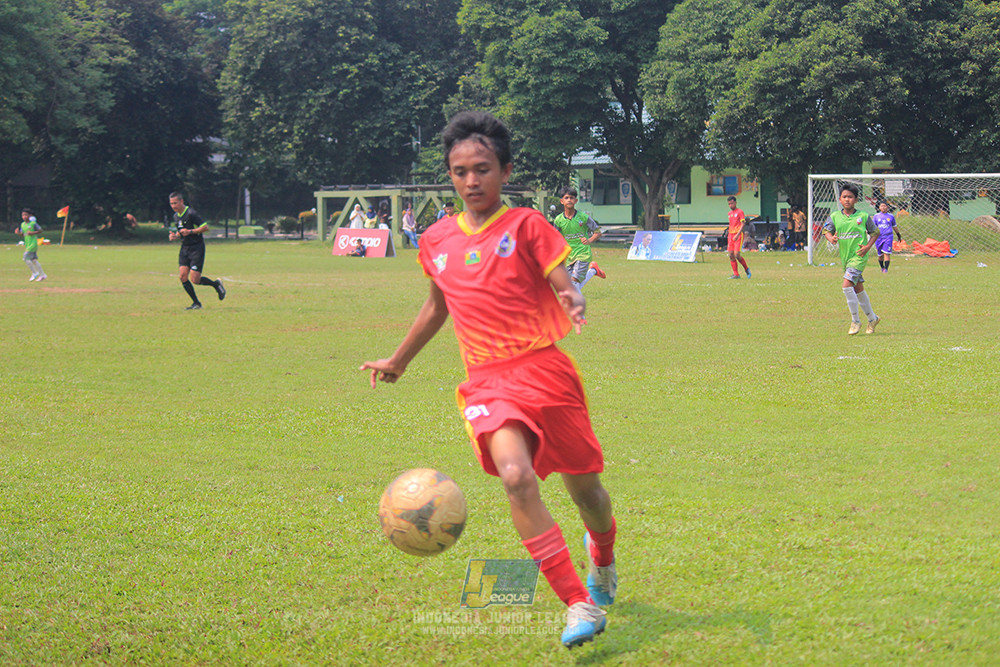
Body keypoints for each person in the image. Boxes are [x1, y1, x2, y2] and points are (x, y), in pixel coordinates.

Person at [361, 111, 617, 649]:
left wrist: (571, 294)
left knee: (587, 492)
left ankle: (603, 556)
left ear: (504, 170)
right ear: (450, 176)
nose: (471, 181)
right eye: (459, 171)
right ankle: (577, 602)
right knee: (516, 477)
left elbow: (558, 275)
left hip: (547, 372)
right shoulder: (434, 240)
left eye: (482, 169)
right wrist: (399, 360)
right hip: (489, 382)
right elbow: (437, 306)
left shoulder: (527, 225)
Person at [822, 184, 880, 335]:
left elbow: (875, 232)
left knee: (846, 286)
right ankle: (872, 318)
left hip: (859, 257)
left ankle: (855, 321)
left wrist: (867, 247)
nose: (847, 200)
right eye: (844, 197)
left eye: (850, 197)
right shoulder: (834, 216)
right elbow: (827, 231)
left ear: (856, 199)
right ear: (840, 199)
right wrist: (831, 239)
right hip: (846, 258)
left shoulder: (864, 216)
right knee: (857, 288)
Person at [168, 192, 226, 310]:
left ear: (181, 201)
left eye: (175, 203)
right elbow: (181, 231)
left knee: (195, 279)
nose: (173, 206)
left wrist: (191, 231)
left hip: (196, 248)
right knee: (183, 276)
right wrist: (176, 236)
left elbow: (205, 227)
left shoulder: (191, 214)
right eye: (171, 204)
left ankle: (216, 285)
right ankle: (196, 303)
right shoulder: (176, 216)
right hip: (184, 248)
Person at [552, 186, 605, 287]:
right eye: (566, 198)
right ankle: (593, 270)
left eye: (572, 198)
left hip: (582, 254)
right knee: (571, 285)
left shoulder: (583, 217)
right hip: (568, 256)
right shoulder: (558, 220)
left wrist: (589, 241)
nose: (569, 200)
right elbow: (554, 237)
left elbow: (597, 232)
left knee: (574, 281)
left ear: (576, 201)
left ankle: (573, 303)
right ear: (562, 201)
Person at [15, 208, 46, 281]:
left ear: (30, 216)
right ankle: (43, 275)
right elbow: (24, 235)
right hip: (27, 244)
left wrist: (33, 233)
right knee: (33, 260)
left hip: (33, 244)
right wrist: (18, 233)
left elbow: (40, 230)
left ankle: (34, 272)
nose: (24, 216)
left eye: (26, 215)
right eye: (23, 215)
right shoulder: (22, 224)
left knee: (25, 258)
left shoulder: (33, 224)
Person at [872, 202, 903, 273]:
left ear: (887, 207)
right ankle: (882, 267)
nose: (883, 207)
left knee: (887, 253)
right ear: (879, 208)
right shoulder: (876, 216)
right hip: (879, 237)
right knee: (880, 254)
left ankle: (886, 269)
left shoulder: (891, 216)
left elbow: (894, 226)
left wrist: (898, 234)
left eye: (884, 206)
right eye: (881, 206)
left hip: (888, 237)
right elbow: (873, 227)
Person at [726, 196, 751, 279]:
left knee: (737, 254)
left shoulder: (740, 212)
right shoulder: (729, 214)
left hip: (738, 235)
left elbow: (742, 224)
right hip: (731, 235)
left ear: (735, 203)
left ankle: (746, 269)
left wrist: (737, 234)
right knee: (731, 254)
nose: (730, 205)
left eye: (732, 203)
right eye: (729, 204)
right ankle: (736, 274)